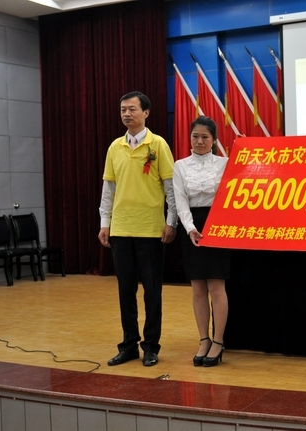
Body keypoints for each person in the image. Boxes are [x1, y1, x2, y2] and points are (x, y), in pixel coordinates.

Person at [99, 91, 177, 367]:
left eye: (132, 109)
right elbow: (108, 189)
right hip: (121, 230)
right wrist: (105, 223)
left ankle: (151, 347)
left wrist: (171, 222)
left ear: (146, 113)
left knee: (152, 292)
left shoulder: (158, 145)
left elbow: (170, 188)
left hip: (150, 230)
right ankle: (128, 345)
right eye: (123, 109)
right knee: (125, 291)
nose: (126, 114)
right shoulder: (115, 147)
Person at [173, 116, 230, 367]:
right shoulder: (180, 166)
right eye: (195, 136)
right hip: (192, 227)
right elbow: (180, 201)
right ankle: (204, 339)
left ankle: (218, 341)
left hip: (218, 224)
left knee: (217, 286)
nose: (199, 141)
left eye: (205, 137)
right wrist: (190, 229)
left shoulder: (225, 163)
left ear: (214, 140)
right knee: (198, 288)